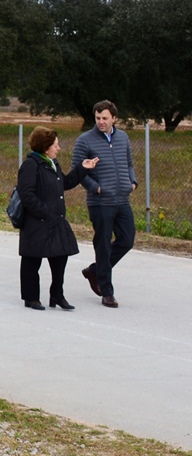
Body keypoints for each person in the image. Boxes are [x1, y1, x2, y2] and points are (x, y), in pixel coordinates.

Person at [17, 126, 99, 310]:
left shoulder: (52, 163)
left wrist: (82, 168)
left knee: (60, 257)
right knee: (32, 260)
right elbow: (26, 194)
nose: (59, 148)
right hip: (36, 222)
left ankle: (57, 296)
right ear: (46, 147)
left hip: (56, 221)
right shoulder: (31, 165)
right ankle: (31, 298)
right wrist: (44, 211)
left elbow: (66, 183)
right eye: (56, 145)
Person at [72, 100, 138, 308]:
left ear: (114, 119)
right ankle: (107, 292)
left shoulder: (123, 138)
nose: (101, 122)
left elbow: (129, 163)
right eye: (98, 118)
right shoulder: (85, 141)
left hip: (122, 200)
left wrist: (133, 182)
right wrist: (96, 188)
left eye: (105, 118)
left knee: (127, 240)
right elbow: (78, 171)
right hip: (100, 202)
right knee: (103, 246)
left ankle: (95, 270)